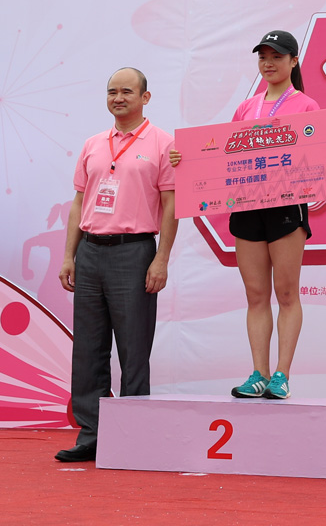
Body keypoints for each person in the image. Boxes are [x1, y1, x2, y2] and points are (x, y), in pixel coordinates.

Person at [171, 30, 326, 400]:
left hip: (285, 207)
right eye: (263, 57)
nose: (269, 63)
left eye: (277, 56)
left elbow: (321, 156)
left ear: (294, 61)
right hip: (247, 207)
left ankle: (282, 374)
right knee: (255, 294)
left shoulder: (307, 106)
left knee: (286, 292)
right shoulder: (246, 108)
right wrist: (185, 159)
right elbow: (224, 157)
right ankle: (258, 374)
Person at [56, 67, 177, 462]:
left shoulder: (163, 144)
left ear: (145, 97)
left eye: (127, 91)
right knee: (88, 348)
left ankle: (133, 438)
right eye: (112, 92)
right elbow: (79, 202)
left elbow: (172, 206)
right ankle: (91, 435)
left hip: (134, 251)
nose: (118, 98)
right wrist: (69, 254)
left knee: (133, 347)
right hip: (90, 251)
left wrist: (161, 258)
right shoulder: (93, 144)